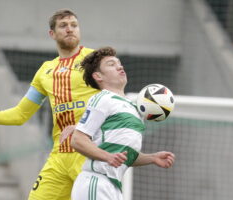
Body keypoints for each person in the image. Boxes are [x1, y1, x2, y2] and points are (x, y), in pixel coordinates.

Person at [0, 9, 99, 200]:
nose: (70, 29)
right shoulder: (45, 71)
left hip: (90, 152)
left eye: (74, 25)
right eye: (63, 26)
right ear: (52, 33)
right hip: (59, 157)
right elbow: (20, 114)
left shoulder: (95, 60)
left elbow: (117, 99)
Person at [70, 47, 175, 200]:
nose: (120, 66)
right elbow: (77, 140)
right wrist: (107, 157)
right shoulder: (103, 99)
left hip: (114, 187)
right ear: (98, 76)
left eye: (119, 63)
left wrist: (152, 158)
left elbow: (123, 155)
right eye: (111, 64)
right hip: (96, 181)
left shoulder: (135, 109)